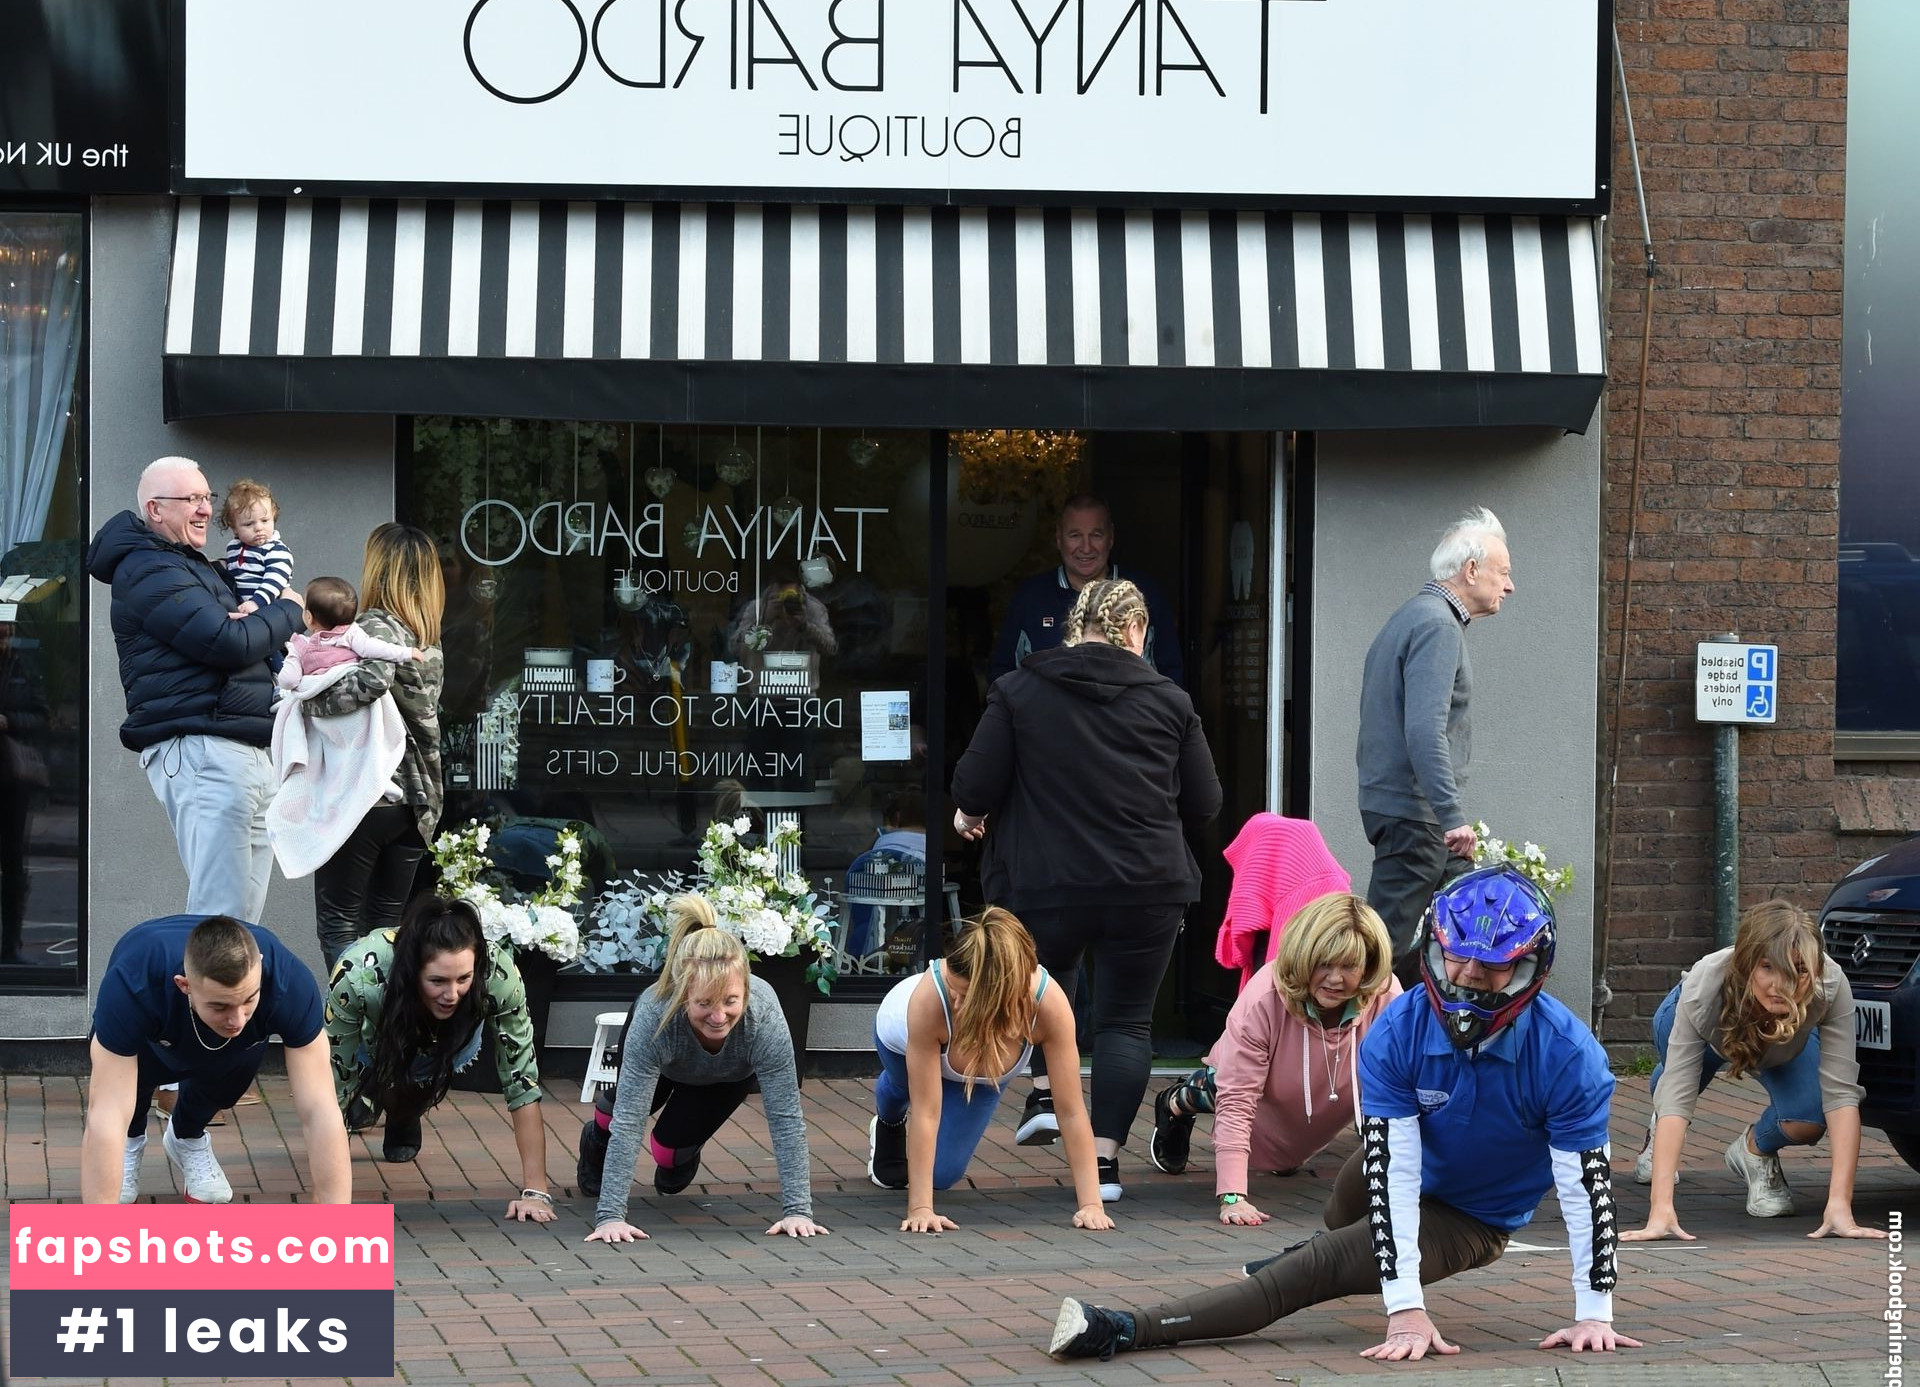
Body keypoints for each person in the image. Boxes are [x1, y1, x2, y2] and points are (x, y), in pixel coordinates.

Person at [1047, 865, 1637, 1364]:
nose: (1469, 978)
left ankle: (1123, 1327)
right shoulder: (1399, 1029)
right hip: (1407, 1171)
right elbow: (1393, 1173)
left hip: (1472, 1215)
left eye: (1492, 966)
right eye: (1457, 958)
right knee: (1344, 1211)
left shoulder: (1568, 1054)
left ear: (1531, 967)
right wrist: (1405, 1306)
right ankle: (1339, 1255)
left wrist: (1594, 1312)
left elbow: (1584, 1190)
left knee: (1319, 1270)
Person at [952, 576, 1221, 1201]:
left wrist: (972, 816)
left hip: (1046, 883)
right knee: (1126, 1024)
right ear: (1137, 631)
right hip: (1147, 885)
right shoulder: (1171, 702)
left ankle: (1047, 1095)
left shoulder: (1018, 691)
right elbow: (1206, 804)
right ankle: (1101, 1164)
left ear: (1077, 626)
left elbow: (973, 786)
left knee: (1050, 991)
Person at [84, 457, 305, 925]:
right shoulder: (147, 569)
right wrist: (290, 607)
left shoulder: (191, 565)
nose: (206, 509)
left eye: (207, 497)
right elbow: (229, 642)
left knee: (240, 923)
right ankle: (196, 999)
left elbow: (244, 637)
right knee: (219, 917)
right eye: (192, 499)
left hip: (240, 746)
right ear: (156, 510)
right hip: (205, 749)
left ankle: (231, 999)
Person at [1622, 900, 1881, 1241]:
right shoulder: (1706, 984)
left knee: (1809, 1117)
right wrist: (1660, 1211)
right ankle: (1660, 1130)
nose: (1781, 985)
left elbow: (1841, 1094)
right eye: (1768, 968)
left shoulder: (1830, 986)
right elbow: (1678, 1094)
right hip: (1706, 1023)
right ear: (1746, 966)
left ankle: (1752, 1150)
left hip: (1780, 1044)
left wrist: (1840, 1205)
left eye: (1800, 970)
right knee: (1677, 1082)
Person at [581, 895, 828, 1243]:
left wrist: (798, 1211)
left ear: (745, 989)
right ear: (682, 995)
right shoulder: (654, 1016)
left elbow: (786, 1118)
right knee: (615, 1116)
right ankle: (593, 1141)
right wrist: (610, 1217)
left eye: (730, 1001)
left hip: (724, 1075)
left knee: (669, 1159)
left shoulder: (764, 1017)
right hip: (667, 1061)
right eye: (703, 1003)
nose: (718, 1016)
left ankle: (677, 1151)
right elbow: (631, 1120)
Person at [1149, 893, 1402, 1224]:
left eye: (1349, 966)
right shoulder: (1263, 997)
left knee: (1285, 1161)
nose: (1336, 979)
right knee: (1221, 1084)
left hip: (1320, 1098)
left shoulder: (1387, 998)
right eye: (1323, 963)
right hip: (1258, 1085)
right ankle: (1176, 1102)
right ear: (1302, 957)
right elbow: (1238, 1099)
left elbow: (1397, 1101)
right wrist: (1232, 1196)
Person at [868, 907, 1113, 1234]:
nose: (956, 1003)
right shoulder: (930, 1000)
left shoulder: (1048, 1005)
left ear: (999, 995)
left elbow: (1070, 1111)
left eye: (965, 996)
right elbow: (927, 1113)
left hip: (981, 1069)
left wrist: (1091, 1205)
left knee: (942, 1175)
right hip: (901, 1042)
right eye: (954, 990)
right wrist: (921, 1209)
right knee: (909, 1092)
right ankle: (888, 1109)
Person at [82, 914, 350, 1205]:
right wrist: (99, 1235)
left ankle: (186, 1137)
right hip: (149, 1035)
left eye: (248, 1000)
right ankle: (130, 1142)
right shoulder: (136, 980)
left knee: (232, 1075)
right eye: (220, 1005)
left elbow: (320, 1109)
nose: (237, 1019)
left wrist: (334, 1228)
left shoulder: (289, 981)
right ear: (184, 985)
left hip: (227, 1055)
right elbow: (105, 1113)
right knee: (130, 1088)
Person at [323, 896, 556, 1221]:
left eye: (463, 979)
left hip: (451, 1038)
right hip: (373, 1033)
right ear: (413, 970)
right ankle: (377, 1082)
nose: (451, 993)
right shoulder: (357, 975)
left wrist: (536, 1193)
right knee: (364, 1081)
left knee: (418, 1075)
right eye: (437, 981)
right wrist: (331, 1207)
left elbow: (522, 1083)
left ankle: (400, 1105)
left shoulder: (498, 974)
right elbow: (334, 1088)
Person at [1356, 506, 1514, 979]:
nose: (1509, 586)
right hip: (1414, 813)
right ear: (1470, 571)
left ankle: (1429, 1030)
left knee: (1462, 927)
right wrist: (1452, 818)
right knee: (1377, 954)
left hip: (1399, 807)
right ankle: (1347, 1041)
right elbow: (1424, 730)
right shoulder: (1438, 625)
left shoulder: (1412, 616)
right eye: (1502, 573)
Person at [302, 525, 446, 969]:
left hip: (369, 795)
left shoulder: (372, 626)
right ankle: (385, 1031)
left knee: (340, 923)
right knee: (385, 929)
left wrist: (305, 701)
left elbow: (371, 682)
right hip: (415, 804)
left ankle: (352, 1032)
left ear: (379, 569)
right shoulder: (427, 637)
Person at [990, 494, 1182, 684]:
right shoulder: (1030, 597)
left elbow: (1170, 675)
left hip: (1131, 714)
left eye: (1096, 535)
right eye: (1075, 536)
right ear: (1059, 538)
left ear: (1111, 537)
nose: (1086, 547)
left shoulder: (1144, 594)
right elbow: (1002, 675)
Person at [0, 618, 50, 964]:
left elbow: (43, 717)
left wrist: (9, 722)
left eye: (9, 629)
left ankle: (10, 946)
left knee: (13, 863)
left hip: (11, 780)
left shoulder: (22, 668)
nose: (6, 635)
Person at [279, 576, 429, 684]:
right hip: (347, 692)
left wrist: (292, 657)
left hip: (320, 701)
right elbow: (376, 648)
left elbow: (288, 681)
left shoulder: (300, 647)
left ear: (309, 617)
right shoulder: (351, 634)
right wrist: (406, 653)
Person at [218, 478, 295, 618]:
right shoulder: (233, 548)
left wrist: (256, 603)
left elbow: (274, 581)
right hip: (242, 610)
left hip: (268, 610)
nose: (259, 528)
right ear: (234, 528)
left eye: (265, 521)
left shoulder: (276, 551)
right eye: (249, 524)